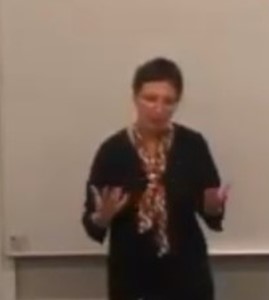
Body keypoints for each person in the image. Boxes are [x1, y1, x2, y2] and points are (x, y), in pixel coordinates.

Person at [81, 57, 228, 300]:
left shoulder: (192, 145)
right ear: (135, 98)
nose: (158, 109)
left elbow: (211, 212)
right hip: (132, 276)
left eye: (168, 101)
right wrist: (102, 218)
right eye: (150, 98)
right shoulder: (113, 150)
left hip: (187, 275)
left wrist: (213, 208)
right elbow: (91, 223)